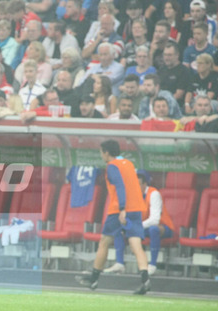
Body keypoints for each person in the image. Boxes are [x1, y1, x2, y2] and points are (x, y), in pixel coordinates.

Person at [79, 140, 151, 294]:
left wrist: (122, 208)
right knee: (136, 245)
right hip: (136, 208)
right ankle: (145, 280)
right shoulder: (128, 164)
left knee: (104, 242)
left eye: (101, 152)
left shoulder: (112, 166)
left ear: (106, 152)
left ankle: (94, 278)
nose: (101, 155)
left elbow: (120, 186)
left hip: (119, 210)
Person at [105, 170, 174, 277]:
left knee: (154, 229)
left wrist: (136, 227)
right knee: (118, 228)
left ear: (145, 184)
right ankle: (119, 263)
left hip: (163, 227)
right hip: (143, 228)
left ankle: (152, 265)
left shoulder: (154, 194)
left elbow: (155, 220)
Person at [158, 42, 192, 108]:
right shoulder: (161, 69)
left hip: (175, 105)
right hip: (160, 103)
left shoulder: (184, 71)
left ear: (177, 55)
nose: (166, 58)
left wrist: (164, 104)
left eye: (169, 55)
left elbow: (179, 94)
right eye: (165, 55)